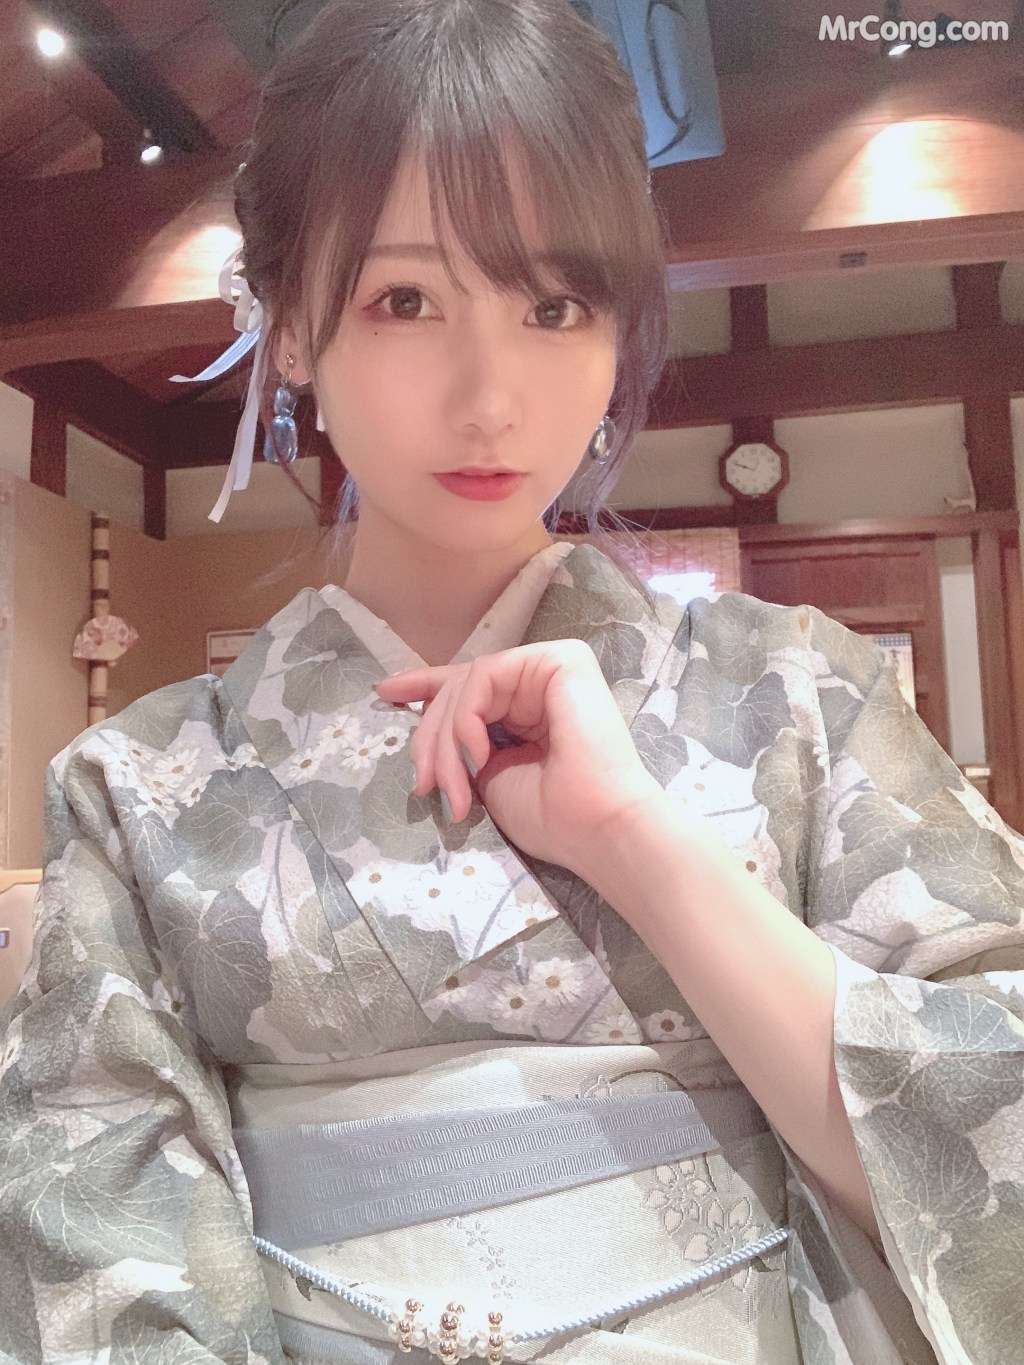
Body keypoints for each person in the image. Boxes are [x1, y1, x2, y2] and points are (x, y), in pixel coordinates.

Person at [2, 2, 1022, 1361]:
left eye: (554, 305)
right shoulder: (134, 786)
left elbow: (994, 1145)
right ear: (290, 324)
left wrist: (638, 841)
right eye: (405, 300)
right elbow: (96, 1260)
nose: (491, 398)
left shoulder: (806, 697)